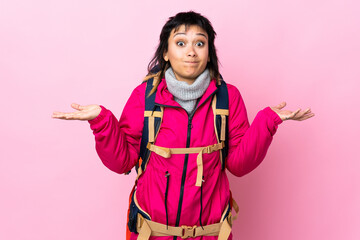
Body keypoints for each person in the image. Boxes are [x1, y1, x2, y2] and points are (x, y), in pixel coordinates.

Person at [52, 11, 314, 240]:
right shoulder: (145, 96)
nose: (191, 51)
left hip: (210, 235)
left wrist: (268, 122)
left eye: (200, 43)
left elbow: (239, 165)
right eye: (181, 43)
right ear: (165, 52)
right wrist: (102, 122)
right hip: (151, 233)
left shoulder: (227, 97)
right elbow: (122, 161)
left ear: (209, 52)